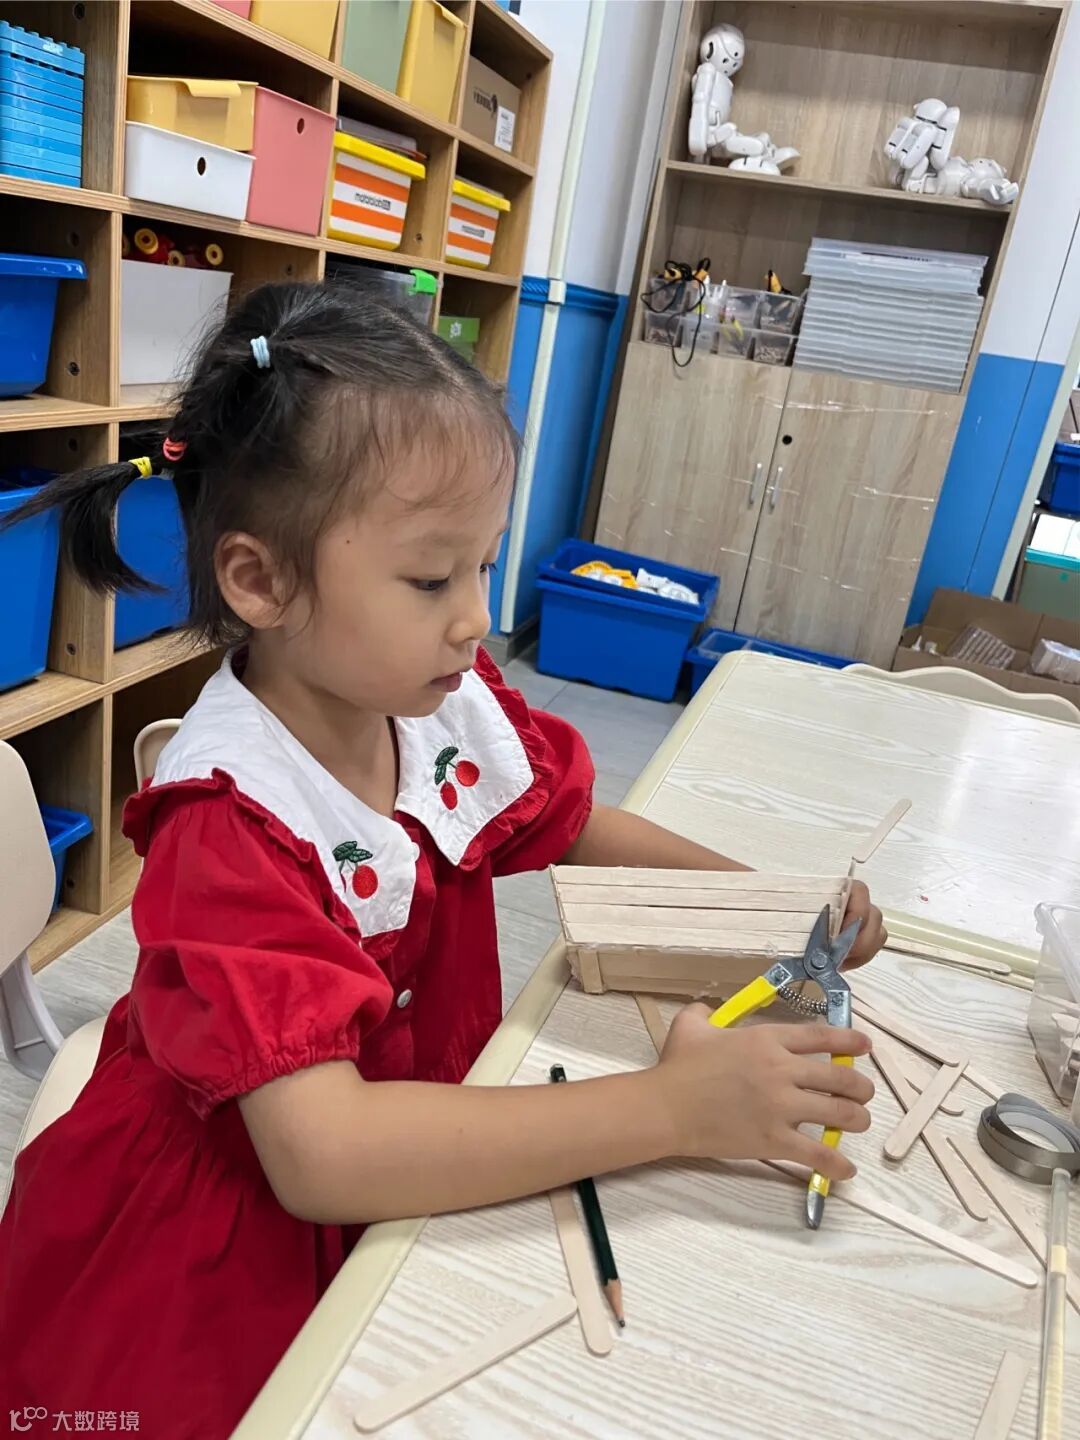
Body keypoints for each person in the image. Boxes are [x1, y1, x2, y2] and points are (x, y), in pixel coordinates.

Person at [0, 283, 883, 1438]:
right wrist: (673, 1108)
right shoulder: (229, 826)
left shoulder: (429, 697)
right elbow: (323, 1156)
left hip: (412, 1145)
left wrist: (774, 908)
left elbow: (570, 823)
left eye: (484, 565)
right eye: (432, 579)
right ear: (261, 582)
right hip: (231, 1240)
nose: (475, 617)